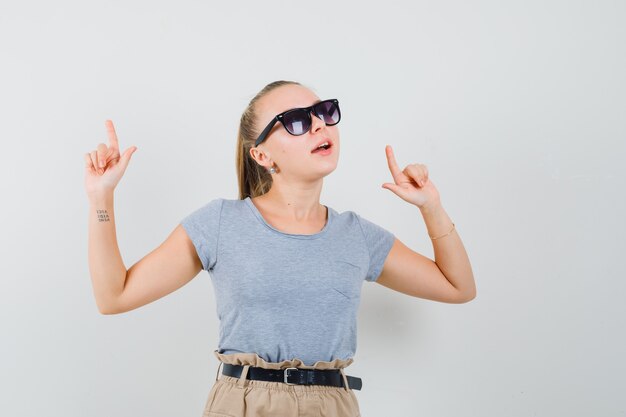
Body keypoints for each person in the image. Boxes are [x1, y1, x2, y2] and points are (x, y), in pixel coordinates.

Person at [84, 80, 476, 417]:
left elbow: (457, 287)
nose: (319, 124)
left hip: (332, 404)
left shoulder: (355, 235)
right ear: (261, 155)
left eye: (322, 111)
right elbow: (113, 296)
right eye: (296, 120)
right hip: (244, 403)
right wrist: (102, 199)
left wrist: (431, 207)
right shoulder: (220, 224)